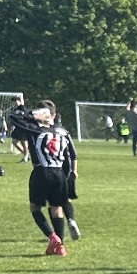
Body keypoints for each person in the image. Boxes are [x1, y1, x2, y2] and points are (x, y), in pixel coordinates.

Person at [26, 103, 79, 249]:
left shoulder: (34, 130)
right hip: (60, 173)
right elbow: (73, 154)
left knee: (35, 207)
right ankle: (60, 244)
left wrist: (32, 115)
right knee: (56, 206)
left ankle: (52, 236)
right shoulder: (63, 131)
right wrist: (73, 171)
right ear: (54, 115)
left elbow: (20, 119)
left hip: (41, 171)